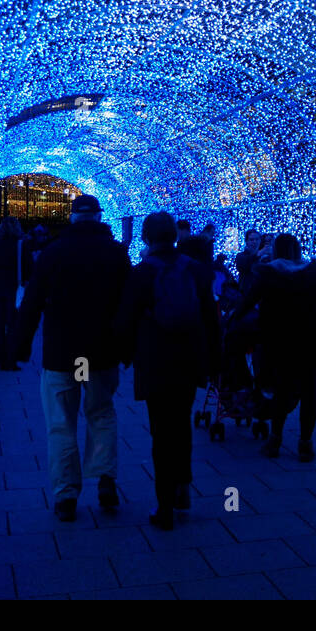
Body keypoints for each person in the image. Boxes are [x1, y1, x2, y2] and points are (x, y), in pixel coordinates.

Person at [17, 195, 131, 522]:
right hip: (102, 353)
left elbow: (32, 302)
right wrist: (127, 348)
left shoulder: (54, 253)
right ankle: (106, 479)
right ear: (98, 217)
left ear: (72, 219)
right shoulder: (116, 253)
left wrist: (20, 346)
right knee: (101, 413)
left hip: (62, 355)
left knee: (61, 423)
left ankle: (66, 495)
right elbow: (129, 304)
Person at [115, 213, 217, 531]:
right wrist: (214, 361)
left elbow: (126, 320)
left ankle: (164, 508)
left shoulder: (141, 273)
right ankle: (183, 489)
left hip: (155, 361)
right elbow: (212, 319)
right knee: (182, 425)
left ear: (146, 238)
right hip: (188, 360)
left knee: (161, 432)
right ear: (175, 236)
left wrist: (124, 356)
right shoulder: (197, 270)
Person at [229, 233, 316, 461]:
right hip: (309, 339)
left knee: (281, 389)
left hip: (279, 340)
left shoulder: (269, 273)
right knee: (309, 390)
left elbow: (249, 301)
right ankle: (305, 444)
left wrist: (235, 319)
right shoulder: (312, 273)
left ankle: (275, 440)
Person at [0, 217, 25, 371]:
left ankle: (0, 357)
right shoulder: (20, 245)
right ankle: (10, 360)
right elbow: (28, 267)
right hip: (13, 287)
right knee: (13, 325)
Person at [234, 229, 261, 294]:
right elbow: (243, 266)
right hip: (247, 292)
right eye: (251, 240)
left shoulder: (265, 255)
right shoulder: (240, 256)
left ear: (260, 240)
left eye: (257, 239)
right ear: (246, 241)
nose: (254, 242)